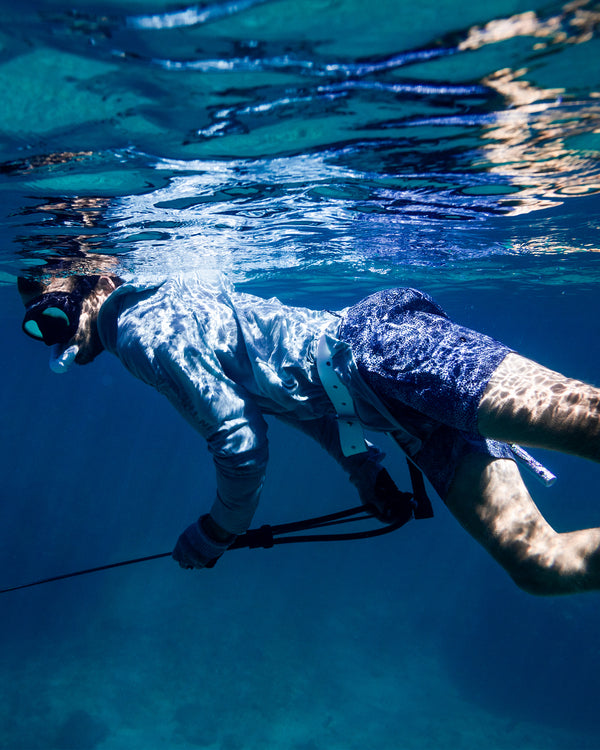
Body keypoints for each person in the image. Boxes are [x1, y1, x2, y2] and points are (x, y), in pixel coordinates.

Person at [18, 270, 600, 596]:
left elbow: (239, 441)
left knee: (587, 421)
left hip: (381, 351)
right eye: (37, 325)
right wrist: (366, 471)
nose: (51, 335)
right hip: (390, 409)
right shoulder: (151, 316)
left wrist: (219, 530)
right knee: (538, 563)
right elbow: (290, 397)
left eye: (51, 312)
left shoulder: (145, 335)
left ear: (90, 284)